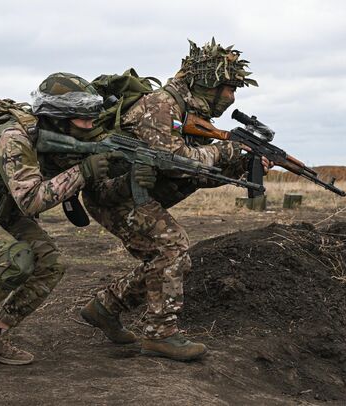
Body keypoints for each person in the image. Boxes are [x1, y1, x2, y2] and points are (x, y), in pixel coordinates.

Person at [78, 39, 271, 361]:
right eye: (229, 88)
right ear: (208, 82)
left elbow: (193, 176)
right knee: (173, 248)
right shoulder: (161, 105)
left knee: (171, 257)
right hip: (113, 192)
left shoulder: (188, 111)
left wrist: (240, 167)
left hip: (134, 192)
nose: (232, 97)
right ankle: (160, 334)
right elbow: (174, 161)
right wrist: (226, 151)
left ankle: (105, 308)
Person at [0, 72, 127, 367]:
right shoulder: (13, 138)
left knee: (51, 265)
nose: (89, 126)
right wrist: (83, 172)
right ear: (58, 117)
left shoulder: (49, 136)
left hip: (3, 209)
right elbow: (31, 200)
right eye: (83, 119)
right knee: (15, 261)